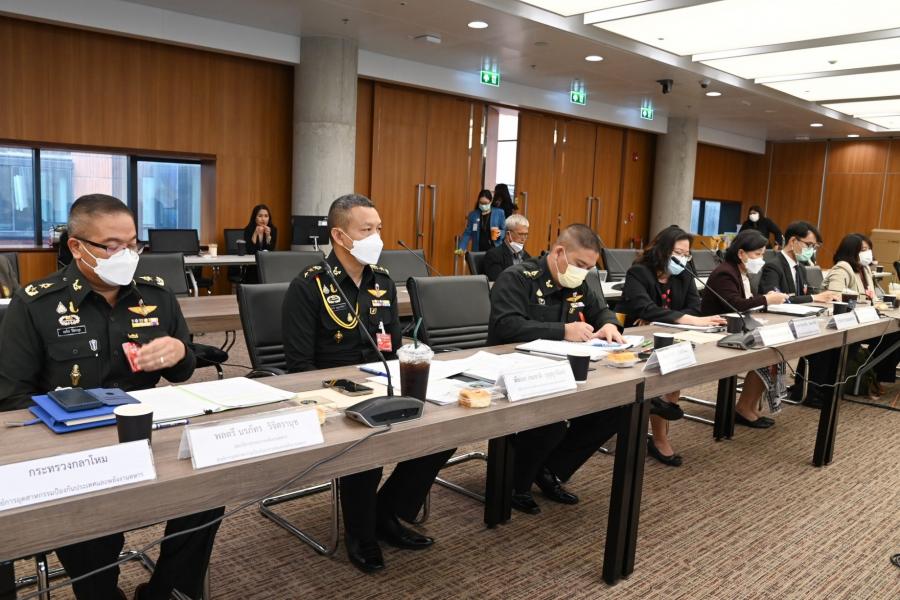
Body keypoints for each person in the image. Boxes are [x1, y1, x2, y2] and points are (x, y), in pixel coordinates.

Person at [0, 194, 222, 600]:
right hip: (71, 446)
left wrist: (179, 352)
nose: (126, 255)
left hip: (147, 434)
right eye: (111, 246)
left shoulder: (156, 295)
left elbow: (182, 371)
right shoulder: (36, 304)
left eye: (133, 244)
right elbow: (12, 400)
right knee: (91, 531)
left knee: (210, 488)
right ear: (76, 246)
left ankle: (166, 590)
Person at [282, 193, 454, 574]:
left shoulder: (383, 282)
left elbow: (391, 346)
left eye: (378, 229)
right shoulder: (308, 285)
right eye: (366, 230)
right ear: (340, 236)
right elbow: (298, 367)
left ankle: (386, 512)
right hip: (331, 394)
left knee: (445, 429)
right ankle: (361, 534)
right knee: (368, 440)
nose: (377, 237)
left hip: (382, 384)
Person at [488, 224, 625, 514]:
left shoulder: (578, 283)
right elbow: (506, 325)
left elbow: (601, 310)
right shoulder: (517, 278)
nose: (583, 273)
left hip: (564, 370)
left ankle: (550, 468)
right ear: (559, 252)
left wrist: (610, 324)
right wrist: (562, 330)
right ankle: (515, 484)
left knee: (616, 407)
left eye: (589, 268)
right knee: (552, 419)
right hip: (515, 371)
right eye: (579, 265)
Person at [619, 226, 726, 466]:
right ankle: (658, 434)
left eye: (686, 254)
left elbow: (694, 307)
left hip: (672, 336)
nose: (682, 259)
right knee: (664, 370)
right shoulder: (639, 272)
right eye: (677, 253)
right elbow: (643, 308)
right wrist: (671, 316)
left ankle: (662, 423)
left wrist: (660, 317)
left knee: (674, 366)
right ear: (662, 250)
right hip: (636, 341)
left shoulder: (684, 274)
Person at [701, 230, 790, 428]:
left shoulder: (741, 271)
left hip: (737, 328)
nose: (761, 259)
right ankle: (744, 408)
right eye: (757, 254)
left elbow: (747, 301)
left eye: (763, 254)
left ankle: (747, 406)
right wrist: (766, 299)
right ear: (741, 253)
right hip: (719, 331)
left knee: (774, 350)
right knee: (766, 352)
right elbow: (736, 304)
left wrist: (765, 298)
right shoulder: (725, 272)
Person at [823, 233, 900, 397]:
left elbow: (871, 297)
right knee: (891, 335)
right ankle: (867, 375)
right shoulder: (842, 268)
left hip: (866, 320)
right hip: (846, 322)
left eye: (869, 249)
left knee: (895, 333)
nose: (868, 253)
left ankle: (874, 375)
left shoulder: (864, 269)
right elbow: (834, 297)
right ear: (851, 251)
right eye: (863, 249)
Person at [759, 221, 838, 304]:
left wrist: (827, 295)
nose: (811, 250)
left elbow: (806, 294)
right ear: (793, 241)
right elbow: (775, 299)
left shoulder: (800, 268)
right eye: (809, 245)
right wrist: (813, 297)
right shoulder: (773, 266)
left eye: (814, 246)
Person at [482, 213, 531, 281]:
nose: (523, 239)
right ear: (508, 234)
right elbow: (501, 282)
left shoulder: (526, 256)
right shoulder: (493, 256)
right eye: (520, 234)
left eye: (526, 234)